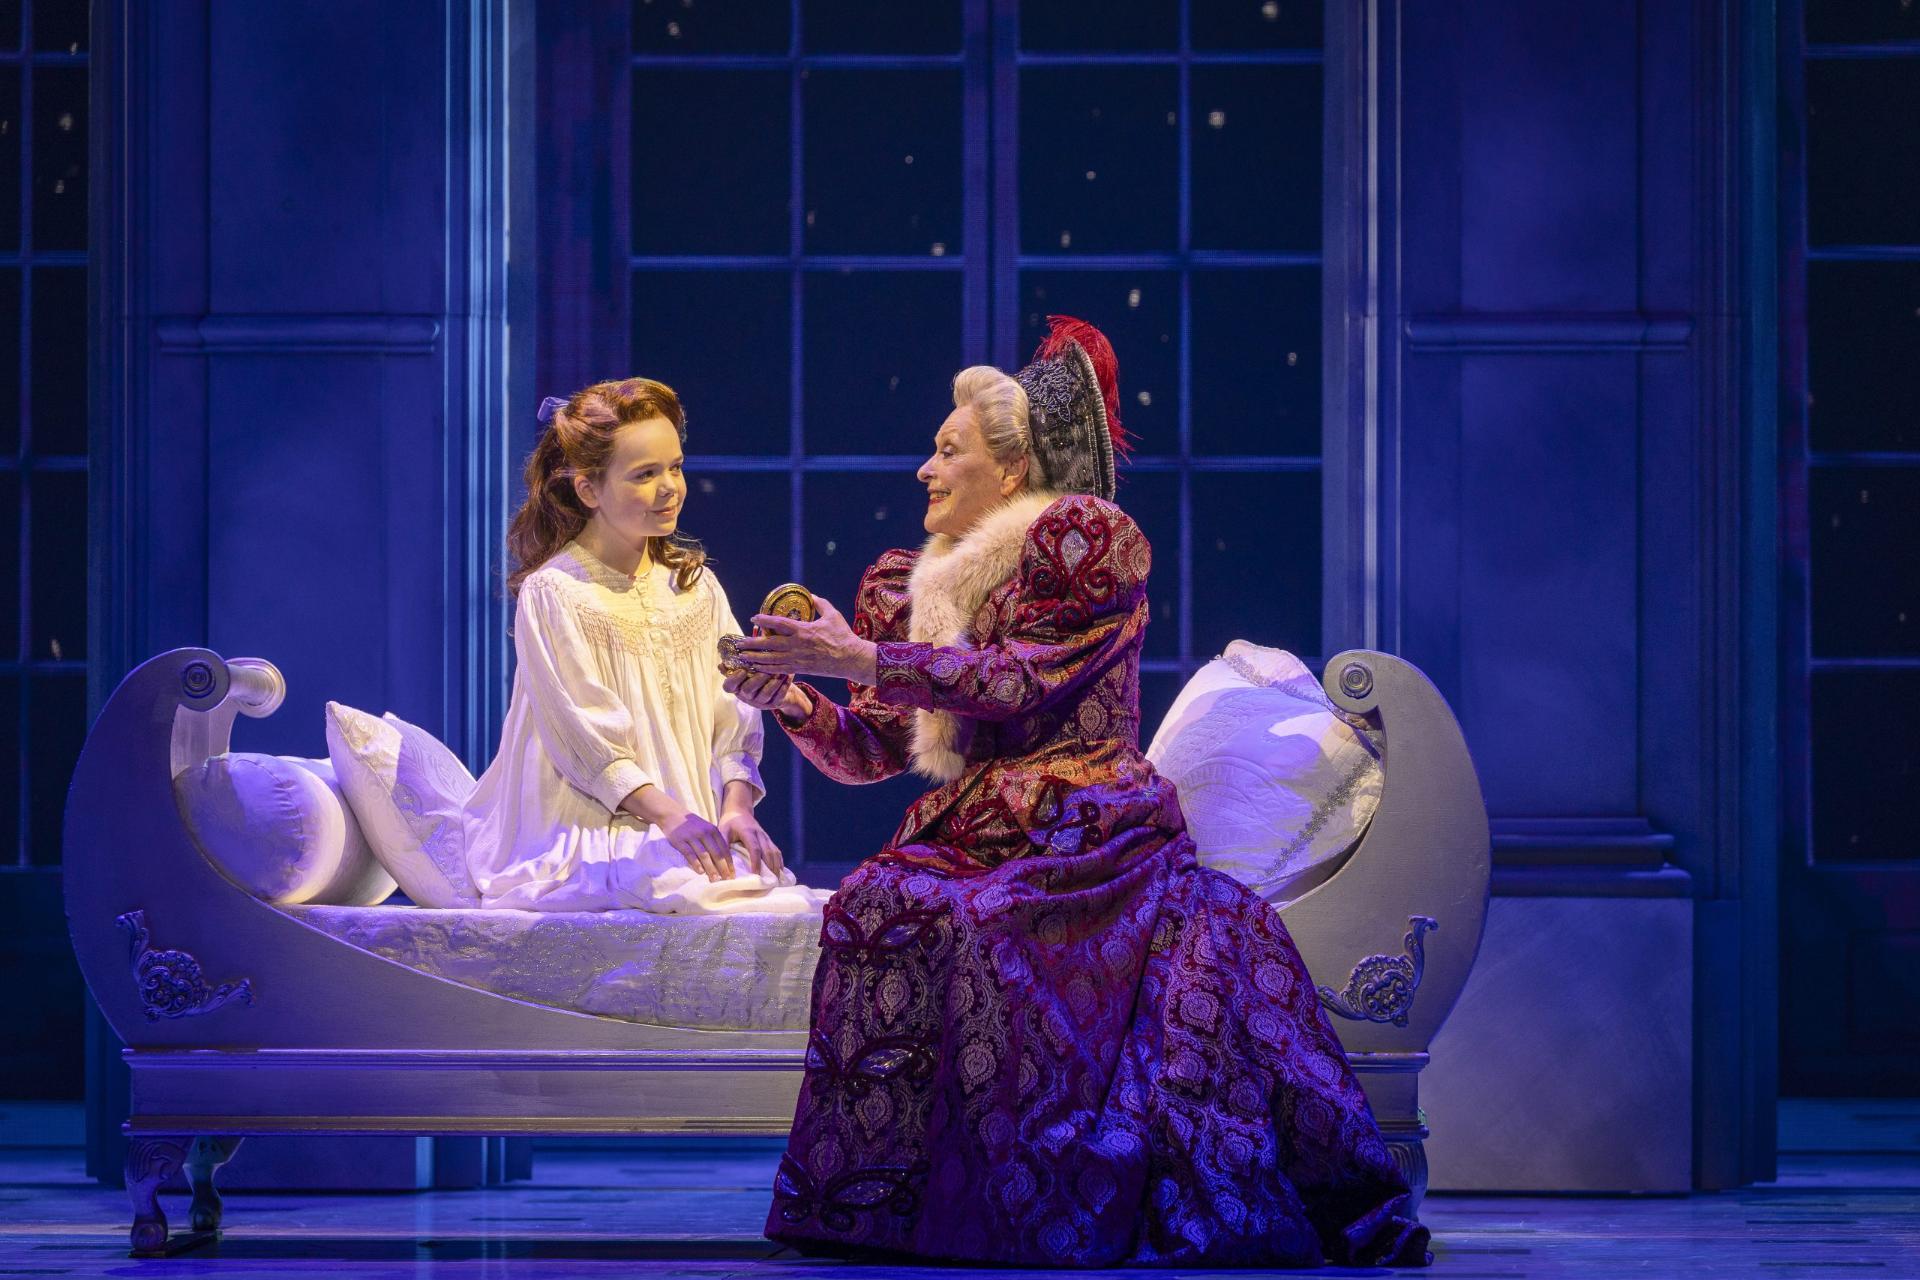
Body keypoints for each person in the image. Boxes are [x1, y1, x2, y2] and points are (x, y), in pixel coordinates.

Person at [727, 319, 1431, 1266]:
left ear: (1013, 470)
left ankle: (1032, 1200)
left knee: (981, 921)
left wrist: (862, 658)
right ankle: (879, 1208)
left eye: (949, 450)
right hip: (970, 825)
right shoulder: (912, 584)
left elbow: (1023, 679)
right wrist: (797, 698)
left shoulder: (1085, 542)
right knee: (873, 900)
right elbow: (875, 750)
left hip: (1081, 824)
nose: (925, 470)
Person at [463, 376, 817, 914]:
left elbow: (732, 712)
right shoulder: (556, 591)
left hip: (691, 822)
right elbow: (581, 736)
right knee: (692, 897)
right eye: (645, 474)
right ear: (589, 490)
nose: (670, 487)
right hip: (590, 820)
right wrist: (668, 816)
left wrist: (737, 806)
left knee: (776, 902)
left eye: (675, 467)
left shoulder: (695, 586)